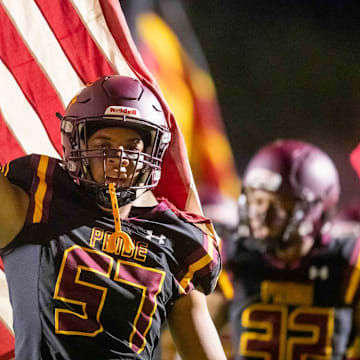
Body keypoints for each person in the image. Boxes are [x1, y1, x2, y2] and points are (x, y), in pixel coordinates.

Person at [0, 75, 226, 360]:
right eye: (104, 144)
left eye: (132, 147)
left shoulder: (175, 239)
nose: (119, 157)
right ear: (76, 144)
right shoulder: (39, 202)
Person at [212, 139, 360, 360]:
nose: (261, 214)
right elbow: (190, 341)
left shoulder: (349, 264)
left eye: (278, 203)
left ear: (317, 208)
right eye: (257, 200)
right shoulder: (233, 258)